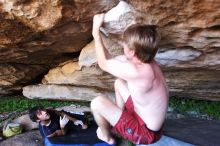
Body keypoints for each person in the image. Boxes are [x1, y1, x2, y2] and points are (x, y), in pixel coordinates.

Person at [90, 13, 169, 145]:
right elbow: (109, 60)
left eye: (125, 43)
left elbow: (103, 64)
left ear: (132, 52)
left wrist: (95, 33)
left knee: (97, 103)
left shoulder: (137, 71)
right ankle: (117, 121)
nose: (122, 44)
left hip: (146, 133)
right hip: (144, 117)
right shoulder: (146, 60)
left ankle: (107, 137)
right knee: (119, 83)